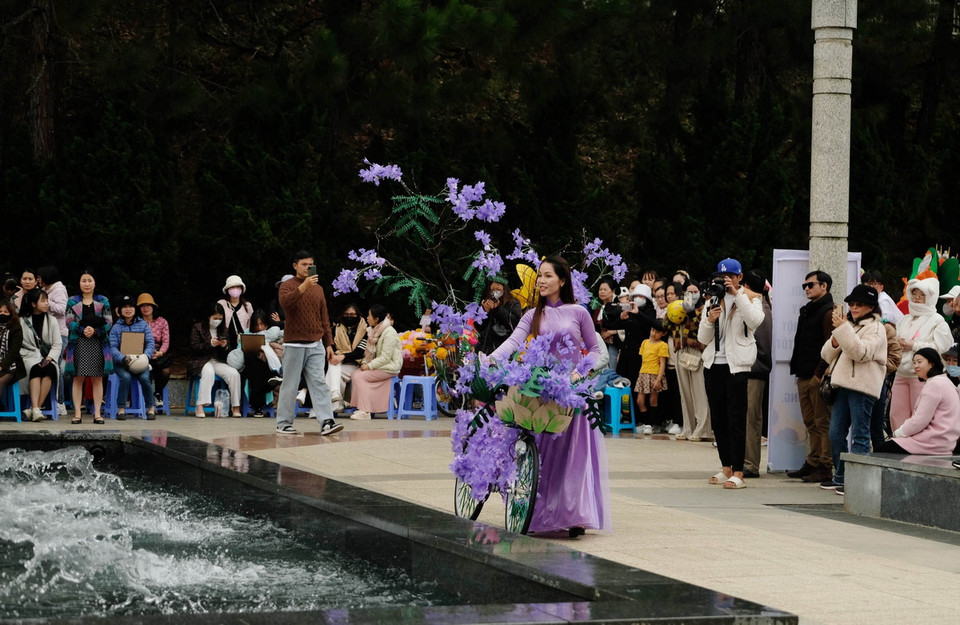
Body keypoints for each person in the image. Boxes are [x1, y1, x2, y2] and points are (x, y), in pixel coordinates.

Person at [491, 256, 609, 537]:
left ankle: (574, 514)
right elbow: (513, 342)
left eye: (548, 276)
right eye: (540, 276)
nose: (541, 281)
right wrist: (490, 359)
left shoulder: (578, 312)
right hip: (540, 391)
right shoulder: (533, 314)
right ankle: (539, 511)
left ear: (562, 280)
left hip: (571, 393)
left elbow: (595, 350)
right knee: (543, 454)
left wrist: (579, 374)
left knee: (572, 456)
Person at [697, 258, 764, 490]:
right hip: (713, 364)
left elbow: (755, 321)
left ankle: (738, 472)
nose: (724, 281)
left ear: (739, 277)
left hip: (737, 366)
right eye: (720, 277)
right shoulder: (713, 299)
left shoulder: (752, 298)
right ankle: (726, 467)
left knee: (736, 419)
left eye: (729, 277)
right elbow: (702, 338)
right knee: (719, 420)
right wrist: (709, 320)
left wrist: (737, 295)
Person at [819, 284, 888, 495]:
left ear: (871, 307)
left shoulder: (876, 328)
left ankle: (858, 482)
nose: (854, 307)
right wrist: (835, 339)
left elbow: (861, 353)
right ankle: (841, 476)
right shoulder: (849, 325)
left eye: (859, 304)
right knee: (835, 433)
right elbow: (825, 355)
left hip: (863, 387)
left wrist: (843, 330)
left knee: (860, 434)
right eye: (851, 303)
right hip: (843, 385)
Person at [275, 250, 342, 436]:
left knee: (319, 383)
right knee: (290, 385)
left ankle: (327, 421)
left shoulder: (318, 289)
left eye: (311, 265)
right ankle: (283, 423)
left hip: (316, 344)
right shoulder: (287, 285)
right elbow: (285, 304)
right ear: (295, 266)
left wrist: (329, 343)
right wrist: (303, 286)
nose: (307, 268)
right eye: (304, 264)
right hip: (294, 344)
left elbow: (324, 317)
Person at [787, 270, 836, 483]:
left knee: (822, 422)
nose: (806, 288)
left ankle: (826, 465)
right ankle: (813, 461)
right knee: (810, 421)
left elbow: (831, 346)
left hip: (818, 375)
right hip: (803, 372)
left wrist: (819, 373)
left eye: (811, 285)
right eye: (804, 286)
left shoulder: (829, 312)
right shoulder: (808, 310)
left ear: (824, 286)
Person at [889, 277, 953, 433]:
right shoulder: (905, 319)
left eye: (922, 294)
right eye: (914, 293)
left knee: (920, 417)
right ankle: (900, 443)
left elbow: (942, 348)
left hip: (924, 376)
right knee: (896, 415)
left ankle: (918, 445)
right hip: (901, 373)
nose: (917, 297)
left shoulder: (938, 320)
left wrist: (914, 345)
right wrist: (897, 342)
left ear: (930, 297)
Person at [874, 348, 960, 455]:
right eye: (914, 363)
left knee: (880, 449)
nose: (916, 366)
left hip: (932, 442)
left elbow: (919, 420)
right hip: (942, 440)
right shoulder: (943, 381)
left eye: (919, 362)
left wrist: (898, 433)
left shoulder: (935, 384)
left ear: (932, 364)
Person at [64, 271, 112, 425]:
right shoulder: (72, 301)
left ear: (94, 282)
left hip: (98, 342)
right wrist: (82, 330)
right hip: (78, 342)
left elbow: (109, 322)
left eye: (89, 280)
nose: (86, 284)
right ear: (79, 283)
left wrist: (95, 331)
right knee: (78, 378)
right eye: (83, 280)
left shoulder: (103, 300)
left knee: (97, 378)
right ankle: (77, 414)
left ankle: (97, 413)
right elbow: (68, 321)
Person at [671, 281, 711, 441]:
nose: (693, 295)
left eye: (695, 291)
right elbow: (667, 324)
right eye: (689, 292)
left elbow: (699, 328)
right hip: (680, 350)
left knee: (699, 391)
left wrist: (690, 312)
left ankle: (702, 429)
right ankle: (688, 428)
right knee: (685, 393)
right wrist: (678, 310)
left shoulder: (704, 309)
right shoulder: (677, 308)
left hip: (697, 350)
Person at [348, 304, 402, 420]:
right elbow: (368, 353)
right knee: (356, 374)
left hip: (389, 367)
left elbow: (386, 357)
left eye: (369, 316)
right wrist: (364, 363)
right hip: (379, 366)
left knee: (360, 377)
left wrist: (369, 366)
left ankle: (365, 411)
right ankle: (360, 407)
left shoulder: (389, 332)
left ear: (376, 319)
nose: (367, 318)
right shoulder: (372, 331)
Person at [188, 303, 242, 418]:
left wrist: (224, 346)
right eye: (215, 318)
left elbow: (228, 351)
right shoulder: (198, 327)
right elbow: (194, 347)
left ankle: (235, 406)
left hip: (217, 360)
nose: (218, 321)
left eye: (220, 319)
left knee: (234, 374)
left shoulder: (224, 329)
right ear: (209, 317)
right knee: (209, 372)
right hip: (200, 360)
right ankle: (200, 405)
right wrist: (210, 344)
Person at [743, 270, 772, 479]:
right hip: (750, 368)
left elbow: (762, 345)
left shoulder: (759, 308)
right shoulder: (758, 305)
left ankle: (751, 464)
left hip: (754, 369)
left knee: (751, 418)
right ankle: (744, 461)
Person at [108, 295, 156, 419]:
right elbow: (112, 347)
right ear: (120, 310)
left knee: (145, 378)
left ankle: (151, 408)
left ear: (135, 309)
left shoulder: (143, 325)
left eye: (130, 306)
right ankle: (121, 409)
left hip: (140, 361)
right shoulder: (116, 327)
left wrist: (146, 356)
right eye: (124, 307)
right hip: (122, 363)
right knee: (126, 377)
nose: (128, 309)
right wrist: (122, 358)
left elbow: (150, 343)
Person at [18, 289, 62, 421]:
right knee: (36, 368)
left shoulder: (52, 320)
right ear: (33, 304)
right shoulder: (22, 321)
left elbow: (57, 344)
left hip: (47, 356)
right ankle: (36, 408)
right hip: (28, 356)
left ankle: (34, 408)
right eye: (43, 301)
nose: (47, 303)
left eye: (47, 300)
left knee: (50, 369)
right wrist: (31, 355)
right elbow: (18, 345)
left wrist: (49, 358)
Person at [38, 266, 68, 417]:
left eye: (40, 277)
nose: (38, 280)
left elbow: (63, 309)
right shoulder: (47, 289)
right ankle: (48, 401)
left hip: (60, 333)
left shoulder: (59, 289)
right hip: (47, 333)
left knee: (56, 367)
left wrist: (46, 302)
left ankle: (60, 402)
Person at [242, 309, 284, 417]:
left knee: (257, 371)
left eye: (262, 324)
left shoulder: (274, 333)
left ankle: (257, 407)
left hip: (270, 364)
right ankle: (270, 380)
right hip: (254, 366)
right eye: (257, 325)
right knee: (250, 357)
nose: (260, 328)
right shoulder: (247, 333)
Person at [328, 304, 368, 411]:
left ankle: (333, 403)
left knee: (333, 371)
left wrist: (343, 356)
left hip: (358, 364)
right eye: (346, 314)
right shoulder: (336, 329)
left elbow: (359, 352)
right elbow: (332, 348)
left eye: (352, 314)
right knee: (334, 368)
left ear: (358, 315)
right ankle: (336, 399)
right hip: (340, 363)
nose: (349, 317)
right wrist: (337, 357)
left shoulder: (365, 330)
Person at [137, 293, 171, 408]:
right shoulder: (136, 322)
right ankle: (146, 400)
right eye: (142, 306)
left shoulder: (162, 321)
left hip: (158, 353)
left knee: (165, 371)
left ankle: (158, 393)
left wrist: (160, 352)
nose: (145, 308)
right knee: (147, 372)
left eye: (148, 305)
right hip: (141, 354)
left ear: (153, 307)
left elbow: (166, 341)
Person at [634, 319, 668, 434]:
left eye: (657, 332)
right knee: (640, 401)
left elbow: (662, 364)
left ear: (663, 334)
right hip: (643, 373)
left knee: (653, 400)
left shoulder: (662, 345)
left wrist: (659, 379)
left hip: (655, 374)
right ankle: (646, 422)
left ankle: (650, 424)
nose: (654, 333)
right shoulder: (645, 342)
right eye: (653, 330)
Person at [475, 277, 523, 355]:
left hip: (504, 346)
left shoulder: (513, 303)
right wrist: (485, 312)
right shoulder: (487, 301)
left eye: (498, 289)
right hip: (486, 346)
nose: (495, 292)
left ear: (504, 289)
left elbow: (514, 322)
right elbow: (479, 327)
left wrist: (497, 309)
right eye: (492, 290)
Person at [591, 277, 624, 369]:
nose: (602, 292)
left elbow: (625, 326)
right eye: (600, 289)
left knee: (612, 368)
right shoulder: (597, 309)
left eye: (605, 289)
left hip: (614, 344)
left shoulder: (620, 307)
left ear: (613, 291)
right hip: (600, 345)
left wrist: (611, 332)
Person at [0, 299, 25, 413]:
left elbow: (14, 351)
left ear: (11, 313)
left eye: (5, 312)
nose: (2, 314)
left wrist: (2, 365)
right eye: (0, 311)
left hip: (11, 365)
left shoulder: (16, 327)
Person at [218, 275, 253, 350]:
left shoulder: (248, 306)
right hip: (226, 344)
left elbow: (251, 325)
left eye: (238, 287)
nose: (235, 289)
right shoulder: (221, 304)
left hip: (243, 344)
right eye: (232, 287)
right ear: (227, 289)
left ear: (242, 289)